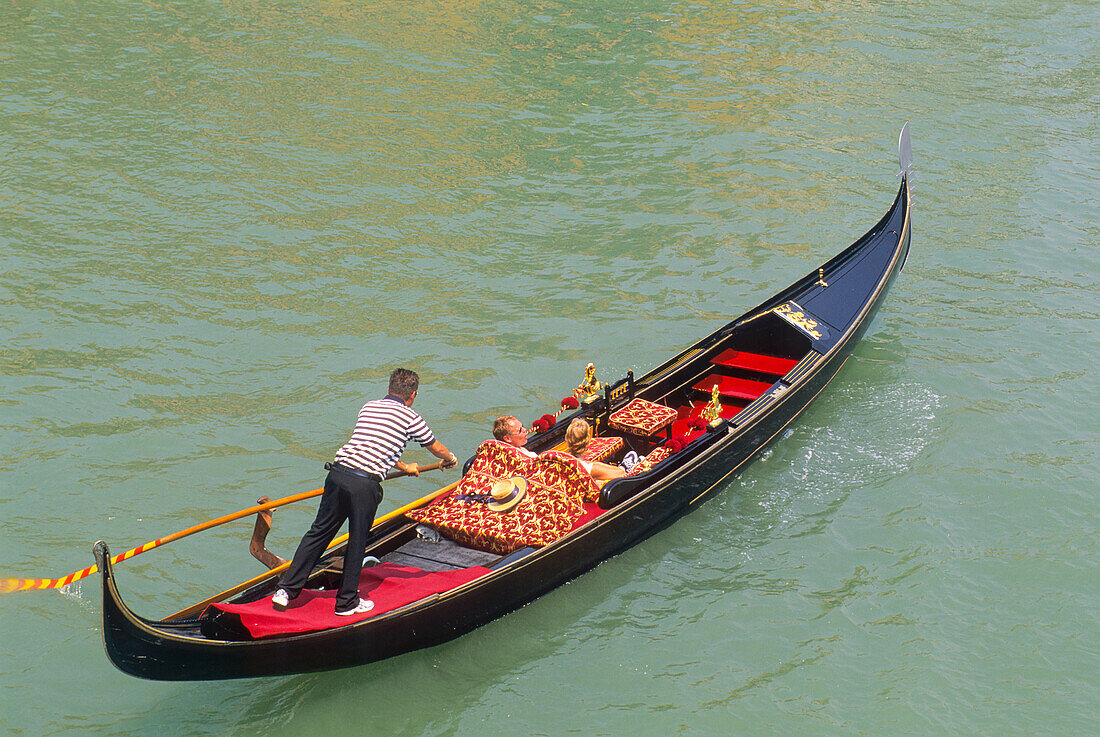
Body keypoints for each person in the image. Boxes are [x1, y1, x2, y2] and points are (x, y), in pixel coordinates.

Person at [272, 368, 457, 616]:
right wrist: (450, 458)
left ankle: (285, 590)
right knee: (358, 541)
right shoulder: (411, 417)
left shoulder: (369, 406)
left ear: (389, 388)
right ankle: (346, 603)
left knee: (318, 533)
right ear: (412, 395)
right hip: (364, 485)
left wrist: (404, 466)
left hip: (338, 474)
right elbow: (435, 447)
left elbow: (373, 442)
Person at [564, 418, 631, 481]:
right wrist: (623, 467)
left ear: (567, 440)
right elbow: (621, 473)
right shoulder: (591, 468)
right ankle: (624, 465)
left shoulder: (562, 462)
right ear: (588, 442)